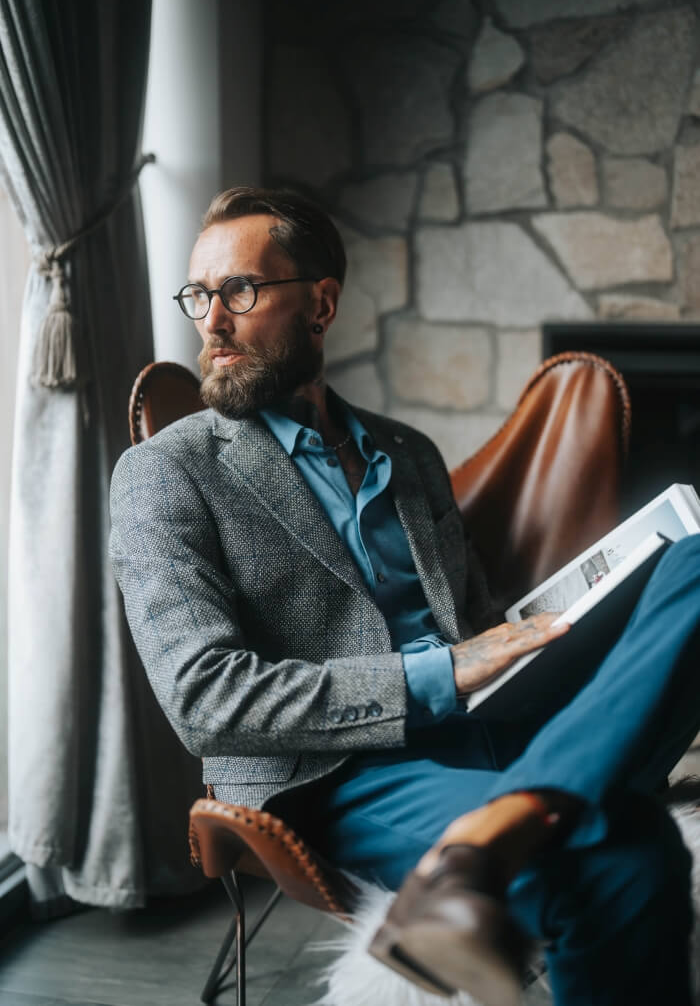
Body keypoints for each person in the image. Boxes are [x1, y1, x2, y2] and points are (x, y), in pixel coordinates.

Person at [110, 186, 700, 1006]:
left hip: (496, 715)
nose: (211, 321)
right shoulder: (165, 473)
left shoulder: (407, 452)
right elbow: (204, 699)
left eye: (239, 291)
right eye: (198, 295)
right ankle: (528, 818)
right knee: (625, 855)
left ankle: (503, 823)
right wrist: (443, 674)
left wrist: (549, 626)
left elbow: (475, 616)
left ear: (320, 304)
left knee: (693, 557)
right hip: (345, 768)